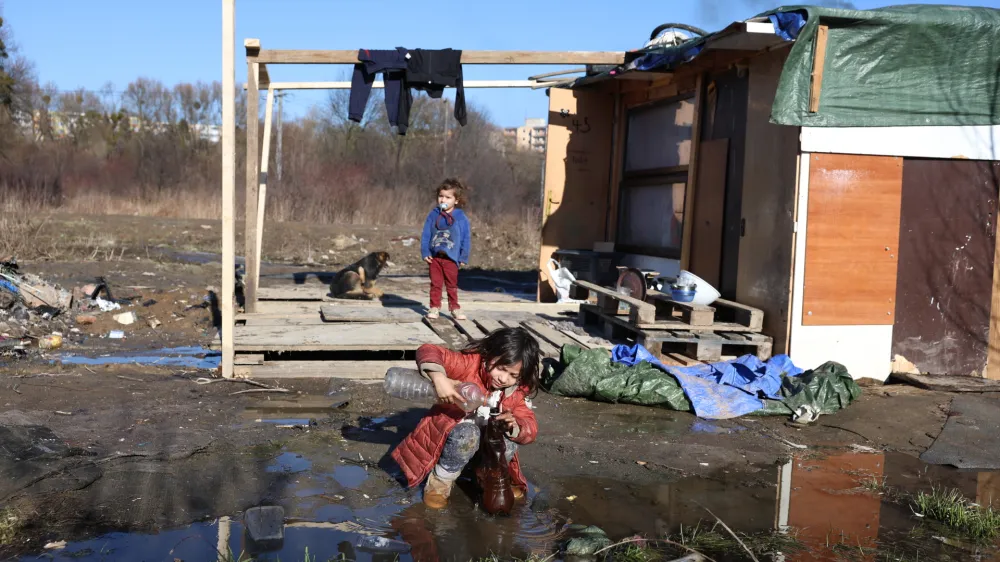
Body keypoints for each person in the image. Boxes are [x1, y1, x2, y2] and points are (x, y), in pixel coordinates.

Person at [391, 327, 541, 509]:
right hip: (453, 441)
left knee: (507, 443)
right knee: (467, 435)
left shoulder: (515, 392)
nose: (503, 379)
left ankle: (485, 477)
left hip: (483, 450)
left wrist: (515, 425)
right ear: (489, 354)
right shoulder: (469, 364)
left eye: (513, 375)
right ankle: (440, 482)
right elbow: (428, 349)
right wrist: (439, 378)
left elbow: (530, 427)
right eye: (501, 369)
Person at [420, 178, 471, 320]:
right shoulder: (433, 214)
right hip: (435, 257)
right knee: (435, 284)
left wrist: (463, 256)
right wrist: (425, 251)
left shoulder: (460, 217)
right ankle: (434, 307)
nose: (443, 200)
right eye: (441, 196)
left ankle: (454, 308)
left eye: (448, 197)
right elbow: (426, 234)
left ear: (456, 200)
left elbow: (466, 238)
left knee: (451, 285)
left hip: (451, 257)